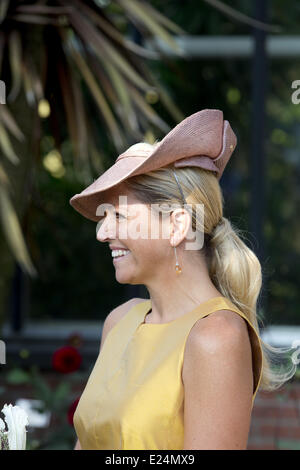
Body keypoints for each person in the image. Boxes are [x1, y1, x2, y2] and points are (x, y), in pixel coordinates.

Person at [69, 109, 296, 450]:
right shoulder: (119, 322)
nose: (103, 232)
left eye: (119, 215)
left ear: (176, 226)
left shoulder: (216, 337)